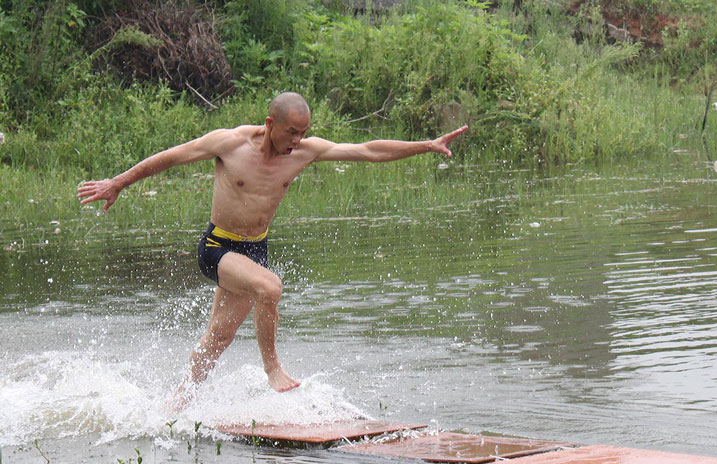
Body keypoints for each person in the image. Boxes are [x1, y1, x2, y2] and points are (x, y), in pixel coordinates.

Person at [78, 91, 467, 408]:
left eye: (303, 133)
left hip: (254, 252)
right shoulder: (230, 144)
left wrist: (426, 146)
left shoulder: (305, 152)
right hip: (217, 247)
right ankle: (273, 369)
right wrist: (118, 183)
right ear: (270, 124)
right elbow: (170, 158)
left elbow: (368, 150)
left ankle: (178, 403)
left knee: (219, 338)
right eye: (291, 132)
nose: (296, 141)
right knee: (270, 287)